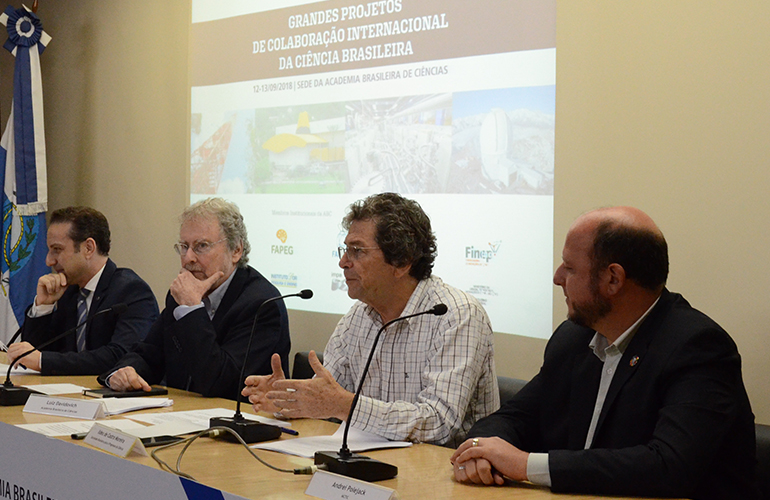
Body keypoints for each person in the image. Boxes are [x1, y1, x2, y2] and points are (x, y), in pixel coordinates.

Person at [451, 206, 759, 499]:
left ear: (613, 279)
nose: (557, 278)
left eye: (570, 268)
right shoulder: (573, 338)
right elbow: (515, 417)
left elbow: (669, 465)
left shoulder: (697, 347)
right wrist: (481, 449)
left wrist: (525, 465)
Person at [243, 192, 498, 447]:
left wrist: (345, 405)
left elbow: (439, 424)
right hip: (371, 458)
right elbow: (326, 399)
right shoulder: (359, 316)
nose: (343, 262)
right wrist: (285, 398)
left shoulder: (457, 315)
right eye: (345, 250)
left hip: (442, 467)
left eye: (357, 251)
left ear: (402, 261)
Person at [99, 198, 290, 399]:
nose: (188, 257)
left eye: (202, 246)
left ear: (236, 250)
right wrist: (125, 372)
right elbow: (149, 355)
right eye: (184, 246)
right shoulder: (181, 295)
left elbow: (221, 383)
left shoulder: (261, 304)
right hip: (181, 411)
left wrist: (191, 309)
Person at [7, 207, 158, 375]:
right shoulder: (68, 291)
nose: (49, 261)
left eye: (57, 249)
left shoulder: (132, 291)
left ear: (88, 248)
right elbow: (33, 354)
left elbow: (122, 356)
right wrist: (44, 307)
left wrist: (43, 361)